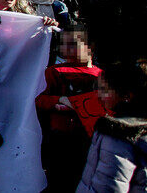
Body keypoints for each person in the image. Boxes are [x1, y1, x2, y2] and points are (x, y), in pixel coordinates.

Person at [36, 25, 102, 188]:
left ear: (90, 46)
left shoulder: (101, 75)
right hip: (60, 137)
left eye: (73, 44)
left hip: (91, 139)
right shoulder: (53, 72)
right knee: (58, 179)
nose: (66, 49)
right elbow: (38, 99)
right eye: (63, 44)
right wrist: (59, 100)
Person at [74, 59, 147, 192]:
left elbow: (108, 186)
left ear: (126, 96)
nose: (98, 95)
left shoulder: (117, 135)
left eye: (104, 89)